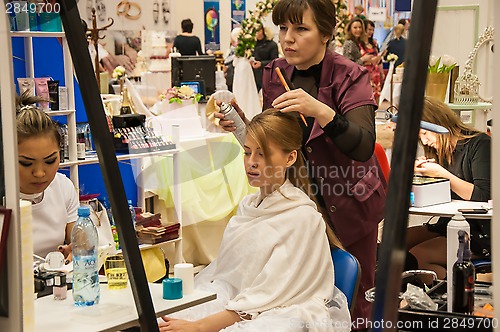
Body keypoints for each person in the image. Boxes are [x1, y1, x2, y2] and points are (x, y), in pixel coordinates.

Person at [215, 0, 387, 329]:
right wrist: (241, 124)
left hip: (351, 203)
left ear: (326, 34)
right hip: (300, 206)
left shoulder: (350, 75)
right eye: (283, 28)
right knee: (301, 296)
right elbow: (277, 144)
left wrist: (321, 110)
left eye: (301, 29)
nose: (288, 38)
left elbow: (364, 146)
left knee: (356, 301)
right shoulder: (275, 73)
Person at [159, 109, 350, 332]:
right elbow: (230, 283)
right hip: (245, 303)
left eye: (263, 154)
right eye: (247, 152)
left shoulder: (302, 218)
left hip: (284, 313)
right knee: (168, 317)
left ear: (290, 157)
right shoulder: (248, 207)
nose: (251, 163)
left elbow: (266, 297)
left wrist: (201, 327)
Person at [407, 97, 491, 280]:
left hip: (480, 232)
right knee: (395, 243)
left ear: (438, 123)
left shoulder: (480, 144)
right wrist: (424, 174)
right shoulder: (442, 151)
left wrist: (442, 174)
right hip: (448, 223)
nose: (424, 141)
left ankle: (443, 301)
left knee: (418, 255)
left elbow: (483, 196)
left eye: (424, 134)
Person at [16, 93, 79, 261]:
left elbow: (78, 242)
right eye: (26, 163)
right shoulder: (5, 198)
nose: (39, 173)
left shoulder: (63, 187)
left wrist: (77, 251)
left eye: (50, 161)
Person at [250, 25, 279, 91]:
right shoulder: (253, 44)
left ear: (262, 31)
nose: (257, 33)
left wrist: (261, 64)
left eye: (258, 31)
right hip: (254, 75)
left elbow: (275, 61)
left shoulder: (271, 44)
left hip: (267, 74)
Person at [362, 19, 385, 103]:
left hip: (376, 75)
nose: (370, 32)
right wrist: (370, 61)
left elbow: (379, 60)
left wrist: (382, 73)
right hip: (365, 75)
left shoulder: (374, 43)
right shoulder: (359, 45)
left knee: (376, 99)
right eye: (369, 29)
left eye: (372, 30)